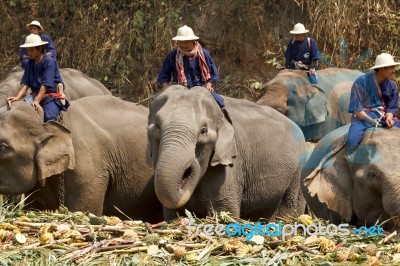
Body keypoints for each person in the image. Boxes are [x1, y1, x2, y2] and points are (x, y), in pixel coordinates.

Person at [157, 25, 225, 108]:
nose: (183, 45)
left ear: (193, 41)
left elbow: (213, 73)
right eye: (180, 42)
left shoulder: (204, 54)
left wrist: (209, 84)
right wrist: (166, 86)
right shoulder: (172, 55)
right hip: (178, 89)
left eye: (186, 42)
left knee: (220, 102)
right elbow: (164, 74)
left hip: (200, 88)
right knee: (157, 103)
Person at [346, 53, 400, 153]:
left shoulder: (391, 85)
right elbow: (357, 109)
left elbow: (392, 106)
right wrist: (370, 121)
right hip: (363, 119)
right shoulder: (361, 82)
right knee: (352, 142)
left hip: (383, 117)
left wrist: (389, 117)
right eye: (391, 68)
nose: (393, 70)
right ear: (382, 68)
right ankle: (351, 161)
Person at [8, 34, 69, 122]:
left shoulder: (49, 62)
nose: (29, 53)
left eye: (31, 50)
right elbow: (26, 82)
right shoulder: (30, 62)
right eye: (27, 50)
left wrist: (37, 101)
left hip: (50, 98)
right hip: (34, 95)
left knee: (49, 118)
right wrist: (18, 97)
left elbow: (45, 84)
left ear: (40, 48)